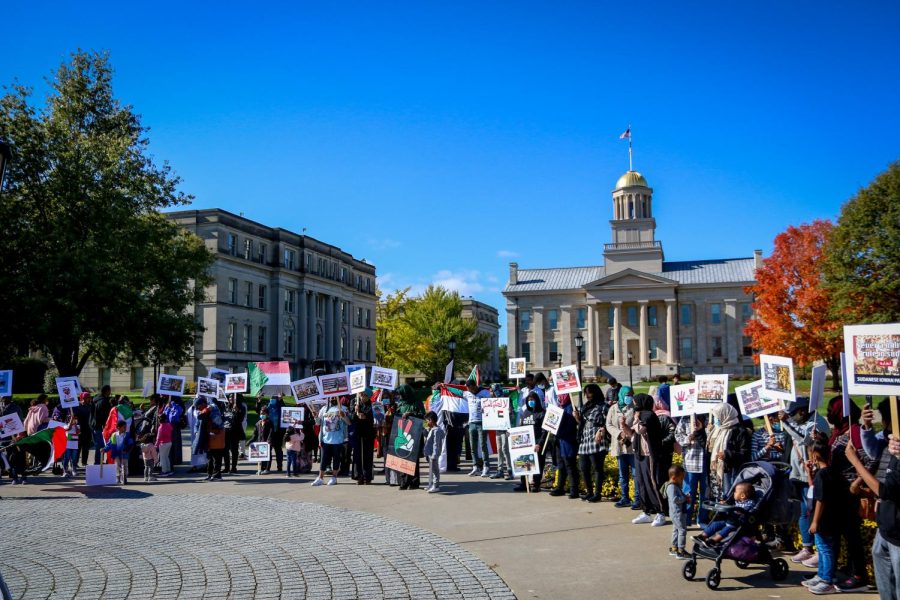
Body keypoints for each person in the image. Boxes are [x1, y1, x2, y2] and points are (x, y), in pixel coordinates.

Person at [844, 430, 900, 599]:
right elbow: (883, 486)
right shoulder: (889, 452)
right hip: (885, 528)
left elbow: (884, 490)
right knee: (886, 584)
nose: (890, 437)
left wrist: (854, 461)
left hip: (898, 534)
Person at [823, 396, 870, 592]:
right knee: (845, 533)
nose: (829, 414)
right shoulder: (838, 432)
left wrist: (857, 483)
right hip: (839, 492)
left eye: (832, 410)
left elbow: (869, 460)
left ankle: (860, 575)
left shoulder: (855, 432)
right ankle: (850, 567)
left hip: (851, 493)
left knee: (852, 535)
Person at [780, 398, 831, 567]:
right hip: (801, 474)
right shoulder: (801, 421)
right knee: (803, 511)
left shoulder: (817, 423)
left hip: (813, 475)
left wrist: (786, 422)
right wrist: (786, 421)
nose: (791, 417)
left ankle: (818, 550)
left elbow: (805, 439)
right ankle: (807, 547)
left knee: (813, 513)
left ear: (802, 412)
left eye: (792, 414)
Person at [800, 434, 847, 595]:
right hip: (829, 519)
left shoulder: (823, 475)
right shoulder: (828, 472)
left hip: (824, 520)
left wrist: (814, 522)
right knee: (822, 548)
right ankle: (822, 575)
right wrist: (809, 472)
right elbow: (814, 490)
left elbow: (821, 499)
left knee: (825, 549)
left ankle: (827, 579)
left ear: (814, 455)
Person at [624, 393, 667, 527]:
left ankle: (661, 512)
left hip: (650, 455)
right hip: (640, 454)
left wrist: (636, 419)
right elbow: (632, 434)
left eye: (636, 402)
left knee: (653, 482)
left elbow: (641, 430)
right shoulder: (640, 415)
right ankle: (646, 511)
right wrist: (624, 425)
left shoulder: (649, 415)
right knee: (641, 482)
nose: (634, 405)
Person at [707, 403, 751, 502]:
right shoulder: (718, 430)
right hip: (718, 471)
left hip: (731, 471)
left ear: (725, 415)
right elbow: (710, 448)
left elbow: (744, 453)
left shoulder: (740, 431)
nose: (716, 420)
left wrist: (727, 454)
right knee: (719, 498)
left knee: (730, 497)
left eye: (717, 417)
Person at [574, 383, 608, 503]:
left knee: (597, 468)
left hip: (596, 439)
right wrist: (577, 417)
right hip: (584, 439)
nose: (587, 395)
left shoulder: (603, 406)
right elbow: (581, 423)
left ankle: (597, 493)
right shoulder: (585, 407)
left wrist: (601, 430)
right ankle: (589, 492)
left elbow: (608, 422)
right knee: (584, 467)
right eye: (586, 393)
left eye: (590, 392)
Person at [695, 482, 759, 546]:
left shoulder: (750, 503)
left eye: (735, 492)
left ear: (742, 496)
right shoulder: (738, 501)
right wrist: (725, 504)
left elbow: (745, 510)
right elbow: (732, 506)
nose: (734, 493)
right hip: (729, 519)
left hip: (738, 522)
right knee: (715, 524)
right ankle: (702, 537)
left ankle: (713, 541)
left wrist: (735, 509)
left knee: (726, 529)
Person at [607, 386, 639, 508]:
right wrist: (618, 433)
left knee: (636, 474)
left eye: (631, 394)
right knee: (623, 474)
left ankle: (637, 498)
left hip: (631, 445)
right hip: (619, 445)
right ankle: (624, 498)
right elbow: (608, 424)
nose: (629, 397)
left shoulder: (635, 408)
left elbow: (637, 424)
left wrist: (628, 432)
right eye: (627, 395)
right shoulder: (613, 408)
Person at [675, 414, 709, 527]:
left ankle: (702, 519)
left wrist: (701, 431)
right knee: (689, 492)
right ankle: (686, 519)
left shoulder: (709, 418)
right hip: (690, 462)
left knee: (705, 492)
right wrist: (688, 438)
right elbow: (678, 435)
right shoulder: (685, 419)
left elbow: (712, 437)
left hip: (706, 462)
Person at [512, 391, 547, 492]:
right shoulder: (525, 412)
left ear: (537, 400)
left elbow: (544, 431)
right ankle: (524, 484)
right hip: (526, 442)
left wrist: (539, 443)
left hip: (537, 443)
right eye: (529, 400)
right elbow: (521, 427)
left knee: (538, 464)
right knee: (524, 463)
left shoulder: (542, 413)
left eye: (533, 400)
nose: (531, 402)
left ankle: (536, 484)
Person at [312, 398, 350, 487]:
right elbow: (318, 423)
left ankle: (334, 477)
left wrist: (344, 416)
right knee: (323, 460)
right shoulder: (324, 409)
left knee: (336, 459)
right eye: (331, 397)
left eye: (334, 397)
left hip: (338, 439)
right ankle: (320, 478)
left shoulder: (343, 409)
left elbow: (349, 423)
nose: (332, 398)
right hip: (325, 439)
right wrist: (315, 416)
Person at [549, 395, 580, 499]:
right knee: (561, 465)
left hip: (568, 440)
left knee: (570, 465)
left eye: (562, 397)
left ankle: (574, 490)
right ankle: (560, 487)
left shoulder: (571, 407)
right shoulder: (559, 407)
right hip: (560, 441)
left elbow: (571, 424)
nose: (559, 398)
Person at [396, 384, 426, 490]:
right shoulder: (401, 404)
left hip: (414, 433)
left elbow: (423, 415)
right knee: (402, 457)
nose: (400, 397)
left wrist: (411, 413)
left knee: (413, 459)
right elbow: (397, 416)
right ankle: (404, 481)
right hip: (402, 433)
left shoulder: (417, 402)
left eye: (401, 394)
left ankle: (414, 482)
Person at [464, 379, 492, 477]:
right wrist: (445, 386)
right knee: (473, 447)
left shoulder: (485, 393)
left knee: (483, 445)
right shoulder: (467, 393)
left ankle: (486, 467)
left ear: (474, 386)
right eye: (468, 389)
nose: (469, 391)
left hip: (482, 423)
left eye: (470, 389)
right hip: (471, 423)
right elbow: (457, 391)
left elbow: (492, 402)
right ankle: (475, 467)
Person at [489, 384, 515, 480]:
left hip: (506, 428)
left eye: (492, 391)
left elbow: (512, 414)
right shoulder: (492, 402)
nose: (490, 393)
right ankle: (500, 470)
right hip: (498, 428)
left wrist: (509, 413)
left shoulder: (506, 400)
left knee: (505, 449)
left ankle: (510, 470)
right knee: (499, 449)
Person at [665, 464, 690, 559]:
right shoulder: (671, 487)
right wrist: (684, 498)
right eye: (681, 478)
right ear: (674, 478)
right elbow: (675, 499)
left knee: (676, 529)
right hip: (677, 513)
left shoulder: (675, 485)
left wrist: (685, 496)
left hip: (677, 513)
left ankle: (674, 548)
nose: (682, 480)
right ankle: (681, 551)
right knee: (682, 530)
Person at [353, 390, 376, 485]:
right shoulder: (355, 404)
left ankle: (367, 476)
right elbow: (351, 417)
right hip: (358, 431)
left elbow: (374, 417)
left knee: (368, 455)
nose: (363, 397)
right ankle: (359, 476)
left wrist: (364, 415)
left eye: (365, 395)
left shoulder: (372, 405)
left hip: (368, 432)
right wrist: (355, 412)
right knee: (357, 454)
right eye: (361, 394)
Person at [104, 420, 133, 485]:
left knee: (125, 465)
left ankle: (124, 477)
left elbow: (130, 443)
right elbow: (109, 444)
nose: (125, 428)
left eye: (126, 427)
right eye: (124, 427)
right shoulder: (114, 435)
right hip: (116, 453)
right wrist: (104, 449)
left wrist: (126, 450)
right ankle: (118, 478)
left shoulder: (127, 435)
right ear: (118, 428)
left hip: (124, 453)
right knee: (117, 465)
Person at [223, 396, 246, 474]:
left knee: (234, 450)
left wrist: (237, 411)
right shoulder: (226, 406)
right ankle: (226, 467)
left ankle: (233, 467)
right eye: (229, 398)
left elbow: (240, 419)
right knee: (225, 450)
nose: (230, 399)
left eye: (232, 398)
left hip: (234, 431)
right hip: (226, 431)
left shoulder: (241, 407)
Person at [423, 411, 445, 493]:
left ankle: (436, 486)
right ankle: (431, 484)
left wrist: (434, 455)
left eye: (427, 420)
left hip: (433, 454)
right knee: (431, 470)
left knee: (435, 470)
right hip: (430, 453)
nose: (427, 422)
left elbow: (436, 444)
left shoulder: (437, 431)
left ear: (431, 420)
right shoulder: (432, 429)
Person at [91, 386, 112, 465]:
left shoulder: (95, 399)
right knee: (101, 445)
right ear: (106, 391)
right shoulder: (104, 402)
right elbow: (106, 415)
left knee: (98, 444)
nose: (110, 393)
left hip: (94, 425)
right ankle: (98, 461)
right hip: (101, 426)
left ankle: (99, 461)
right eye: (109, 391)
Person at [205, 401, 226, 481]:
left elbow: (219, 424)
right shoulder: (211, 413)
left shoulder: (215, 414)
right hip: (212, 439)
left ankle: (217, 474)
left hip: (217, 439)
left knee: (217, 458)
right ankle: (210, 474)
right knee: (210, 458)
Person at [162, 395, 185, 468]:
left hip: (173, 427)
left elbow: (173, 416)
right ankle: (173, 461)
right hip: (172, 427)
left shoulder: (176, 404)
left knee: (172, 445)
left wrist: (171, 407)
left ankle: (173, 461)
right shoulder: (167, 402)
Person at [268, 396, 286, 472]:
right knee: (271, 450)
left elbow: (285, 410)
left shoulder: (278, 407)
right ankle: (270, 467)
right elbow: (259, 411)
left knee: (276, 450)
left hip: (276, 432)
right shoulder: (269, 407)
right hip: (273, 432)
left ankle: (276, 467)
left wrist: (281, 400)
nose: (272, 401)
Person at [253, 409, 274, 474]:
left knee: (268, 455)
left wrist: (269, 440)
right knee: (261, 456)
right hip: (260, 441)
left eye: (263, 414)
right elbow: (255, 434)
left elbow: (271, 432)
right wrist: (251, 441)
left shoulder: (269, 422)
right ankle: (261, 469)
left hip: (267, 442)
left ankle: (267, 469)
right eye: (261, 413)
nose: (262, 415)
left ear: (267, 414)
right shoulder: (258, 423)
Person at [75, 392, 93, 467]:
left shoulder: (91, 406)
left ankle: (84, 462)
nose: (89, 399)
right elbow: (74, 417)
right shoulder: (77, 406)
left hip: (88, 429)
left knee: (86, 447)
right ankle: (75, 462)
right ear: (82, 398)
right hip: (79, 429)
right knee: (78, 447)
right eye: (87, 397)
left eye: (89, 397)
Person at [61, 409, 80, 478]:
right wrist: (71, 420)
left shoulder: (77, 426)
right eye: (72, 418)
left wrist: (74, 424)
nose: (74, 420)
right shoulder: (65, 426)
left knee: (74, 458)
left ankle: (74, 470)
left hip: (75, 445)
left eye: (75, 419)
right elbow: (68, 428)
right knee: (66, 458)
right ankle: (65, 471)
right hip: (68, 445)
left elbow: (78, 432)